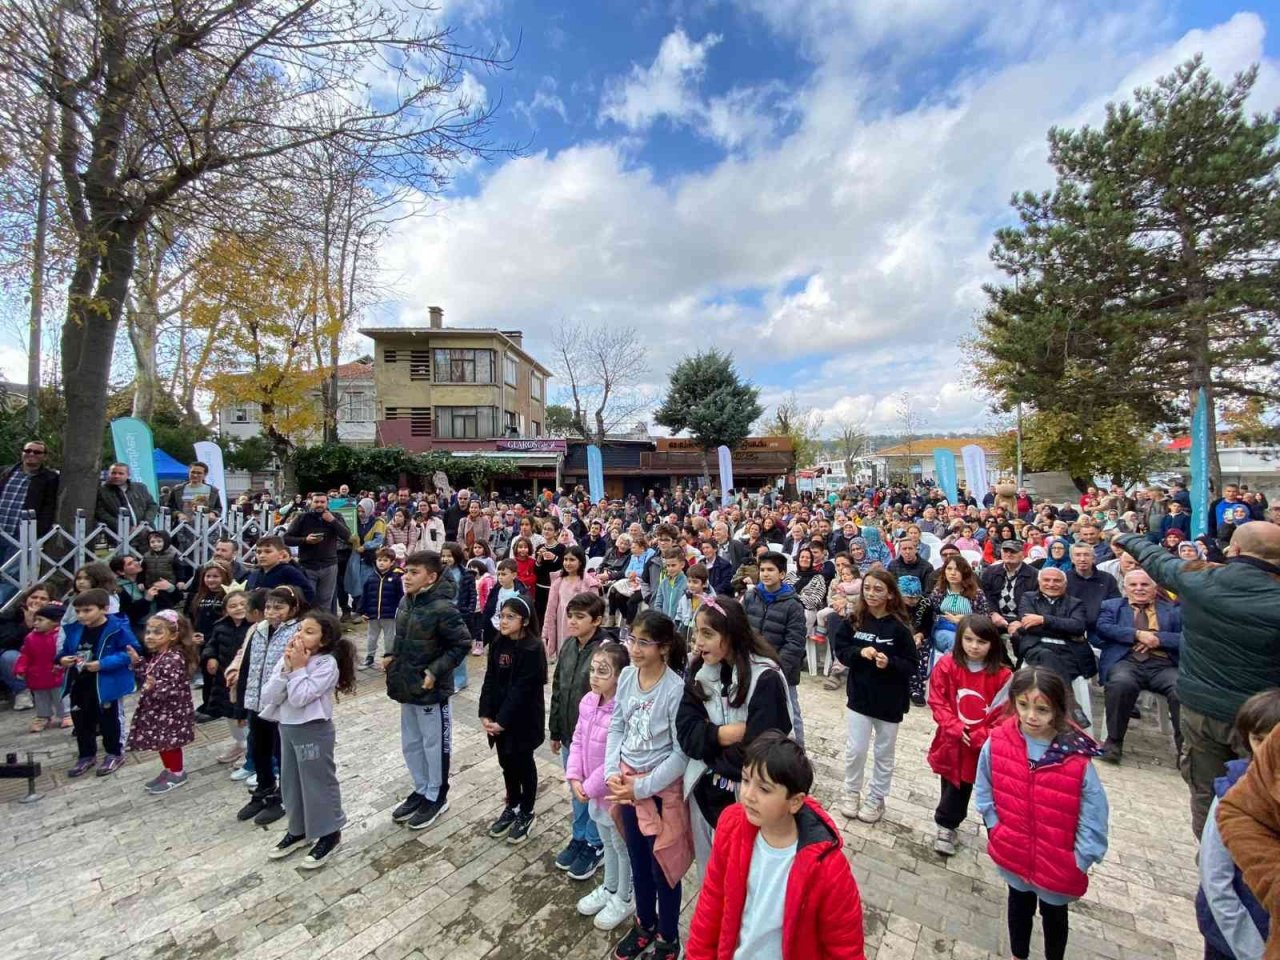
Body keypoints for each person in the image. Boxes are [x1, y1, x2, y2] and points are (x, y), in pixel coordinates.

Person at [1114, 524, 1280, 837]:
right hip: (1263, 722)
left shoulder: (1199, 580)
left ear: (1235, 550)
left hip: (1202, 712)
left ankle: (1210, 859)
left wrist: (1126, 537)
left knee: (1205, 792)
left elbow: (1157, 559)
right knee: (1262, 800)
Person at [685, 731, 866, 960]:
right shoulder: (731, 826)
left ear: (795, 801)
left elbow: (845, 948)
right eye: (746, 780)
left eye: (764, 789)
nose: (748, 795)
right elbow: (711, 905)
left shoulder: (827, 867)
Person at [975, 667, 1109, 960]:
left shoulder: (1076, 757)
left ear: (1058, 709)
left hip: (1059, 857)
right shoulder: (998, 741)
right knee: (1018, 905)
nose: (1031, 716)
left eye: (1042, 708)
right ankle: (1018, 954)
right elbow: (984, 785)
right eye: (1023, 705)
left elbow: (1094, 811)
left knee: (1055, 916)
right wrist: (994, 826)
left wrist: (1083, 857)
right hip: (1013, 846)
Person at [677, 595, 792, 881]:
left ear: (731, 634)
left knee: (740, 883)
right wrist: (724, 734)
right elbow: (686, 735)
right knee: (710, 879)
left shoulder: (765, 679)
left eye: (708, 634)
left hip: (746, 803)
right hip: (703, 796)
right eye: (697, 632)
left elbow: (761, 751)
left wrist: (707, 740)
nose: (699, 643)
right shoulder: (699, 671)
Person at [606, 610, 690, 960]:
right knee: (638, 861)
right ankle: (645, 923)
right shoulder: (626, 675)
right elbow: (618, 725)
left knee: (663, 868)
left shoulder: (675, 689)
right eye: (631, 639)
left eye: (644, 642)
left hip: (657, 794)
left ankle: (668, 937)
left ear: (664, 647)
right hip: (625, 784)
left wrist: (640, 789)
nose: (635, 649)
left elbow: (680, 754)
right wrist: (612, 768)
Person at [260, 611, 356, 869]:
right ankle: (298, 829)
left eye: (309, 632)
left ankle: (329, 831)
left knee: (317, 782)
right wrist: (288, 669)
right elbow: (270, 695)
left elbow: (302, 697)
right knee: (291, 782)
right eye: (300, 629)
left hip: (313, 729)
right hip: (287, 727)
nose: (300, 635)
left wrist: (298, 669)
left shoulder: (326, 664)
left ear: (323, 641)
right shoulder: (290, 658)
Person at [385, 551, 473, 831]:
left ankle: (437, 794)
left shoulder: (443, 608)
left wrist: (435, 671)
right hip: (405, 684)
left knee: (433, 744)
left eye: (414, 573)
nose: (406, 577)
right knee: (411, 742)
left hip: (430, 691)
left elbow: (461, 644)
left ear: (431, 577)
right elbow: (401, 636)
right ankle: (421, 788)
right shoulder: (406, 601)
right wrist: (391, 654)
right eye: (406, 571)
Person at [1195, 690, 1279, 960]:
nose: (1265, 751)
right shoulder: (1232, 793)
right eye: (1258, 740)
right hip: (1234, 939)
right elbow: (1215, 880)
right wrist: (1252, 949)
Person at [829, 569, 917, 825]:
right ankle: (851, 791)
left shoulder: (899, 627)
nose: (871, 594)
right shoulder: (855, 620)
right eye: (867, 588)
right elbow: (842, 649)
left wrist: (889, 662)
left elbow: (911, 664)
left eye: (878, 589)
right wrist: (859, 653)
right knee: (855, 749)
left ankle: (876, 796)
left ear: (890, 593)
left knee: (883, 752)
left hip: (889, 700)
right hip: (860, 695)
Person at [926, 615, 1012, 857]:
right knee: (954, 784)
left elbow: (1005, 714)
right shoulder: (947, 664)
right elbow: (937, 699)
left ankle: (1001, 834)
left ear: (993, 644)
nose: (974, 646)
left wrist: (981, 736)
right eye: (969, 639)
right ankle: (946, 825)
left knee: (992, 790)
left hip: (986, 745)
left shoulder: (1003, 676)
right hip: (952, 740)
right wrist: (953, 727)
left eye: (982, 641)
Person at [568, 641, 635, 932]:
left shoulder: (622, 711)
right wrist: (574, 776)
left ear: (620, 676)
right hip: (593, 794)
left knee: (622, 846)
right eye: (593, 670)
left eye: (603, 672)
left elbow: (616, 754)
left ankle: (626, 896)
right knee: (606, 841)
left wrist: (590, 785)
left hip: (612, 793)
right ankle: (609, 888)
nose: (594, 676)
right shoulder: (588, 702)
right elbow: (578, 741)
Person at [229, 586, 303, 826]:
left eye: (279, 608)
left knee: (281, 751)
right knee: (258, 748)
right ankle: (264, 788)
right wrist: (242, 703)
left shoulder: (298, 632)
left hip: (282, 705)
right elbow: (248, 666)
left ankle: (283, 796)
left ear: (292, 609)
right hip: (257, 701)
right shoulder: (258, 630)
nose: (272, 612)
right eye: (269, 607)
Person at [1094, 569, 1182, 765]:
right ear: (1125, 588)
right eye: (1133, 585)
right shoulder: (1112, 606)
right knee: (1121, 684)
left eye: (1144, 585)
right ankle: (1114, 742)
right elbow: (1103, 628)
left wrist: (1158, 639)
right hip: (1127, 661)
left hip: (1163, 665)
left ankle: (1185, 751)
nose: (1139, 589)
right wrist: (1137, 635)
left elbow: (1187, 639)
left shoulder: (1173, 610)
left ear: (1154, 588)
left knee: (1181, 690)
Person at [548, 592, 608, 880]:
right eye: (571, 615)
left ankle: (596, 844)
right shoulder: (569, 646)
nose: (572, 621)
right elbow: (559, 688)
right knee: (576, 791)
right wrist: (556, 729)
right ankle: (579, 836)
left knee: (593, 793)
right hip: (571, 734)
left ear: (596, 620)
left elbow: (609, 698)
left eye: (580, 616)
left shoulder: (607, 652)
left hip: (596, 740)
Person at [479, 595, 548, 846]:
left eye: (511, 617)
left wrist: (503, 721)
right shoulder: (498, 643)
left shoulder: (532, 649)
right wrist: (485, 713)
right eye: (502, 616)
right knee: (506, 763)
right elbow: (489, 678)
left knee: (523, 763)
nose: (504, 621)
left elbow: (522, 689)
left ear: (525, 620)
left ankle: (527, 811)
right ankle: (513, 803)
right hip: (499, 718)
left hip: (522, 720)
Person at [58, 588, 141, 778]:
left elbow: (132, 652)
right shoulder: (74, 630)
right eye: (78, 611)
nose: (81, 615)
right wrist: (62, 659)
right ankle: (86, 754)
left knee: (110, 719)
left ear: (104, 608)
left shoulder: (117, 628)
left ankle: (115, 752)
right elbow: (63, 652)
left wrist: (103, 664)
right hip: (80, 681)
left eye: (87, 610)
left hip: (107, 683)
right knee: (81, 720)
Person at [127, 610, 198, 795]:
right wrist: (138, 663)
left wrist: (154, 687)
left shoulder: (173, 658)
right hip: (159, 710)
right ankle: (169, 770)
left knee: (169, 743)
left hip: (171, 712)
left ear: (174, 635)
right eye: (149, 631)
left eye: (157, 632)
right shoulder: (160, 655)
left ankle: (177, 772)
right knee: (162, 743)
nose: (150, 636)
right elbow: (150, 676)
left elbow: (171, 688)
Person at [741, 551, 807, 746]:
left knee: (790, 712)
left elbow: (794, 643)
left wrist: (776, 668)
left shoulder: (793, 605)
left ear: (782, 574)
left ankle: (797, 752)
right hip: (752, 664)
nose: (765, 574)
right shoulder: (751, 596)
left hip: (782, 670)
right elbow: (742, 628)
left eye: (771, 570)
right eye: (762, 570)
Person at [204, 590, 251, 765]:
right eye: (233, 606)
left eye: (242, 604)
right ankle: (240, 743)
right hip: (224, 679)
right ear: (225, 610)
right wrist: (211, 657)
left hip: (245, 680)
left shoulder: (254, 627)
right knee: (229, 714)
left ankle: (250, 748)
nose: (238, 608)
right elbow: (211, 645)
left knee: (244, 715)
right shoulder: (220, 626)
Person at [284, 493, 350, 614]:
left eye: (322, 502)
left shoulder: (335, 516)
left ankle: (324, 629)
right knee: (308, 600)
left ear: (327, 503)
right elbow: (286, 538)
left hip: (329, 565)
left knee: (326, 602)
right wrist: (305, 540)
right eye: (316, 501)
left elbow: (347, 536)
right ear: (311, 502)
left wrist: (333, 521)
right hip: (308, 565)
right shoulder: (302, 518)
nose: (319, 504)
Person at [543, 545, 603, 663]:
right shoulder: (558, 582)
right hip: (563, 626)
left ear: (580, 562)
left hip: (584, 627)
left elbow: (596, 609)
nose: (568, 563)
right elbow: (550, 610)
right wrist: (546, 632)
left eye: (572, 560)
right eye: (565, 559)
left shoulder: (589, 583)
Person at [13, 602, 66, 731]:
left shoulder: (61, 636)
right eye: (35, 620)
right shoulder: (30, 638)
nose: (36, 623)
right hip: (37, 675)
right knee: (41, 697)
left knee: (61, 696)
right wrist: (21, 668)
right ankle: (43, 716)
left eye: (40, 620)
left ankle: (66, 714)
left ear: (55, 622)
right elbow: (25, 655)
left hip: (57, 673)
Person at [0, 440, 58, 555]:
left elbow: (49, 507)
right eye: (27, 450)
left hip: (21, 534)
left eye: (37, 452)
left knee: (12, 571)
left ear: (45, 456)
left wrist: (37, 531)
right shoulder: (4, 472)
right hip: (1, 527)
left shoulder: (50, 478)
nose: (31, 454)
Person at [358, 548, 403, 670]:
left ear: (392, 562)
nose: (381, 563)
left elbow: (401, 597)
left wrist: (400, 611)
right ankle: (369, 657)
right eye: (379, 560)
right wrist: (362, 611)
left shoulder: (396, 578)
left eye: (385, 560)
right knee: (371, 637)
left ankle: (388, 660)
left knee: (389, 638)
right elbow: (365, 595)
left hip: (389, 615)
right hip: (373, 615)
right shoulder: (371, 577)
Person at [980, 541, 1038, 632]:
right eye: (1006, 551)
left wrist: (1020, 621)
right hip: (996, 617)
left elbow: (1035, 602)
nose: (1009, 554)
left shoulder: (1034, 575)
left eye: (1013, 552)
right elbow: (986, 595)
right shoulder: (990, 572)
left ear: (1022, 554)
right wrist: (993, 613)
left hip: (1022, 619)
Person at [246, 535, 315, 602]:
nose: (262, 555)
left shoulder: (288, 571)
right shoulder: (254, 574)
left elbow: (308, 593)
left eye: (268, 551)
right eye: (259, 552)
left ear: (281, 555)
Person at [94, 462, 159, 528]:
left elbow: (152, 505)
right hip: (118, 533)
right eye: (113, 473)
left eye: (121, 473)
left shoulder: (140, 487)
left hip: (146, 530)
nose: (117, 476)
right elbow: (101, 513)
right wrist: (123, 527)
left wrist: (145, 522)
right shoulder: (102, 491)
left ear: (128, 475)